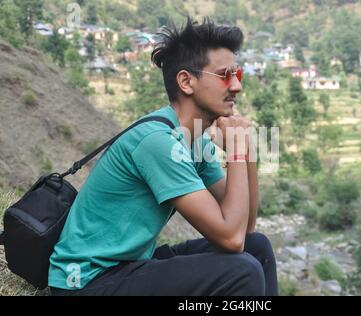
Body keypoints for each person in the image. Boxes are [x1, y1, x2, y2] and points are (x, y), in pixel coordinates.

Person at [48, 17, 278, 296]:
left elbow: (245, 228)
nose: (237, 87)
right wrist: (238, 152)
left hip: (129, 267)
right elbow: (230, 238)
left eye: (237, 75)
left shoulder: (193, 140)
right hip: (87, 283)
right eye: (225, 75)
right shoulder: (158, 142)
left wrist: (245, 150)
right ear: (186, 81)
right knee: (243, 270)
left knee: (258, 248)